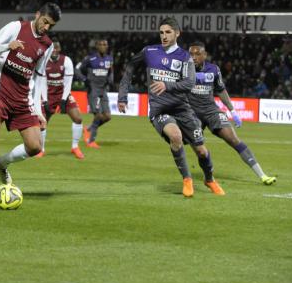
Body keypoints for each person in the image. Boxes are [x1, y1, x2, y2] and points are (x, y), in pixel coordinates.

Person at [118, 17, 224, 197]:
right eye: (161, 32)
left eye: (168, 32)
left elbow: (190, 83)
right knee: (175, 136)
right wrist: (122, 95)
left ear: (177, 33)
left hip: (182, 109)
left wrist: (167, 85)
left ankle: (209, 179)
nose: (164, 36)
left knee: (201, 150)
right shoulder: (150, 51)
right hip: (159, 109)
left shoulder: (184, 57)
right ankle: (187, 179)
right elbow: (130, 66)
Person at [0, 3, 61, 206]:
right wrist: (6, 46)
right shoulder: (15, 28)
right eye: (45, 22)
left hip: (22, 98)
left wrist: (39, 110)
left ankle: (1, 163)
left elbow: (38, 78)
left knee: (35, 146)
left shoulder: (47, 46)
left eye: (51, 25)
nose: (46, 27)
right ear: (38, 15)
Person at [188, 42, 276, 185]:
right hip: (192, 113)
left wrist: (233, 111)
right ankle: (208, 172)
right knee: (198, 146)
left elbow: (221, 90)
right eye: (191, 54)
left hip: (211, 111)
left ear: (204, 55)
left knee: (234, 139)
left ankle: (263, 175)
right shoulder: (183, 70)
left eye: (197, 54)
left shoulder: (213, 69)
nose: (193, 57)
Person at [36, 40, 85, 159]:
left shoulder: (66, 61)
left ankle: (75, 147)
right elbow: (42, 82)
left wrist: (63, 100)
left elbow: (68, 82)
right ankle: (41, 149)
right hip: (48, 95)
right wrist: (46, 101)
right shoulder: (43, 61)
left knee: (78, 118)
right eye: (52, 48)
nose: (54, 50)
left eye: (57, 48)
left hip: (64, 94)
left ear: (60, 49)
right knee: (42, 122)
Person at [75, 38, 113, 148]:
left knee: (107, 116)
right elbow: (77, 69)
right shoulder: (90, 59)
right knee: (98, 115)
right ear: (97, 46)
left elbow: (110, 71)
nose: (103, 46)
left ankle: (88, 129)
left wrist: (110, 79)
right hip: (93, 91)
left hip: (103, 90)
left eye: (105, 44)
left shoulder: (109, 59)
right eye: (101, 44)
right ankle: (91, 141)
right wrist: (84, 79)